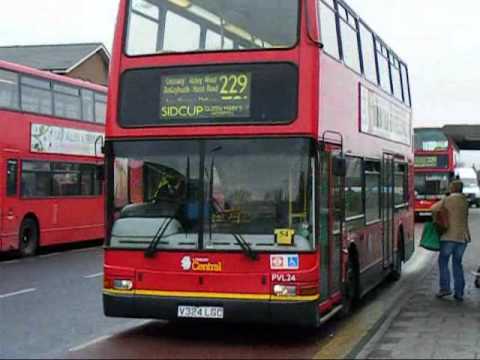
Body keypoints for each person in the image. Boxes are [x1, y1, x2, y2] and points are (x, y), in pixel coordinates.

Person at [431, 180, 471, 301]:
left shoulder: (449, 199)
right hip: (463, 237)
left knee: (443, 261)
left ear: (453, 188)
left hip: (449, 237)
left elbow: (433, 208)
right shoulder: (465, 200)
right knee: (457, 264)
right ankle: (459, 292)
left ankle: (445, 288)